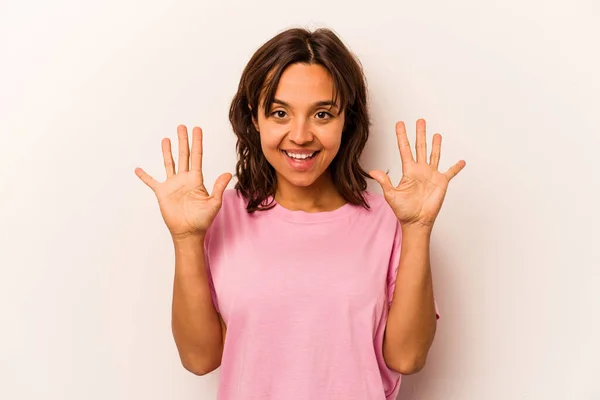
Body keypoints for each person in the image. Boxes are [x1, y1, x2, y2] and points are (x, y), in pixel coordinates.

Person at [135, 27, 465, 400]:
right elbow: (199, 358)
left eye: (322, 114)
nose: (301, 135)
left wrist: (418, 228)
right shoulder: (214, 216)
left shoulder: (390, 220)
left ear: (347, 120)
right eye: (280, 113)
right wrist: (186, 239)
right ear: (254, 118)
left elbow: (407, 357)